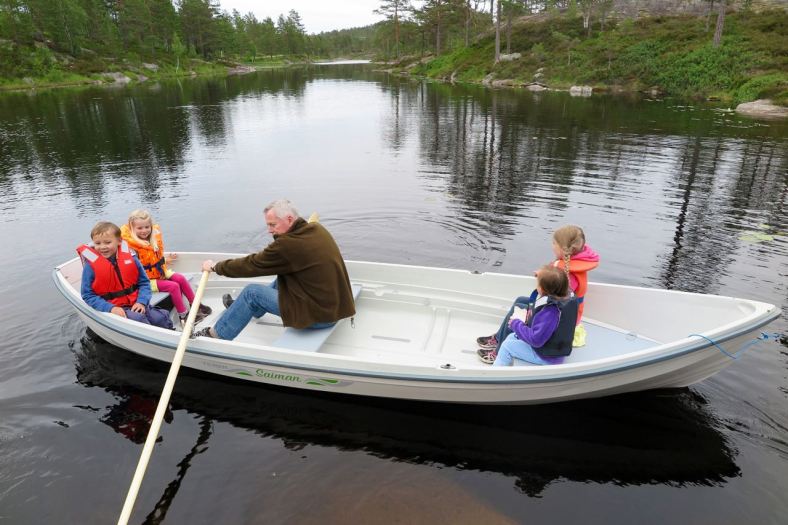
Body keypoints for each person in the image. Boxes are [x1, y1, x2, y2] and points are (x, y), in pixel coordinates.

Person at [194, 199, 356, 340]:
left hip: (319, 317)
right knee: (284, 276)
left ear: (290, 219)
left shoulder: (287, 246)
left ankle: (217, 335)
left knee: (251, 293)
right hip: (333, 308)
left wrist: (215, 267)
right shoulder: (316, 229)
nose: (270, 230)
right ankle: (247, 309)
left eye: (273, 225)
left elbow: (250, 264)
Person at [477, 224, 599, 355]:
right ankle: (499, 337)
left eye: (554, 243)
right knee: (521, 300)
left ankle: (499, 351)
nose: (552, 246)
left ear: (564, 249)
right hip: (555, 308)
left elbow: (556, 299)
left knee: (520, 308)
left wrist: (543, 282)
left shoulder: (569, 275)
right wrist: (543, 275)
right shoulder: (570, 264)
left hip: (557, 316)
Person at [121, 209, 211, 326]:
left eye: (147, 227)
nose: (144, 231)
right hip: (145, 281)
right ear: (132, 228)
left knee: (180, 278)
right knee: (173, 286)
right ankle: (183, 316)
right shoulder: (130, 247)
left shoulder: (152, 239)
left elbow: (152, 259)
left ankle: (197, 306)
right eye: (140, 228)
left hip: (159, 272)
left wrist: (165, 259)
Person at [77, 221, 172, 329]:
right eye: (97, 243)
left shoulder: (132, 258)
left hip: (136, 302)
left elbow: (144, 283)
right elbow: (87, 295)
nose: (102, 247)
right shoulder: (90, 266)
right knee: (139, 320)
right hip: (113, 307)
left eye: (107, 242)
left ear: (119, 241)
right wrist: (110, 308)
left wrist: (141, 302)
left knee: (160, 319)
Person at [481, 265, 578, 366]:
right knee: (511, 336)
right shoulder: (561, 295)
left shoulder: (550, 312)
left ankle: (497, 371)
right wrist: (542, 275)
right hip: (548, 350)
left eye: (538, 284)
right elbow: (557, 279)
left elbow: (536, 340)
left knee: (507, 346)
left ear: (543, 289)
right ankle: (502, 356)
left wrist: (516, 324)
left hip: (546, 357)